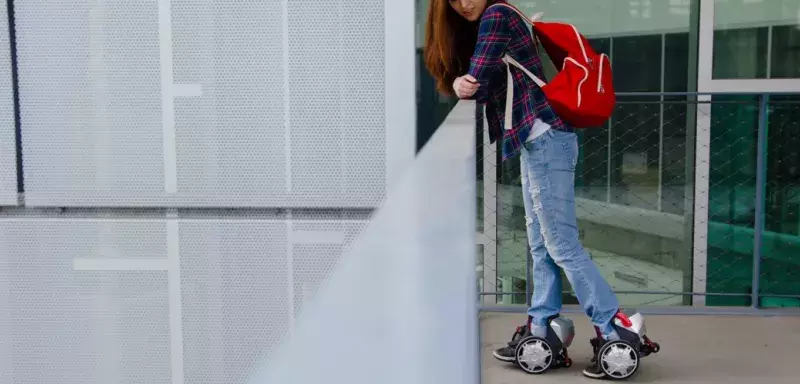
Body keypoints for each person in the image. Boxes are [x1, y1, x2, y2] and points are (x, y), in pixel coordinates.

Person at [424, 0, 624, 378]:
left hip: (545, 137)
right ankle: (541, 327)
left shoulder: (497, 15)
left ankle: (615, 326)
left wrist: (458, 81)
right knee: (540, 244)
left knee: (561, 244)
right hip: (537, 141)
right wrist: (458, 80)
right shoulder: (496, 18)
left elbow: (477, 81)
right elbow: (481, 79)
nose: (464, 3)